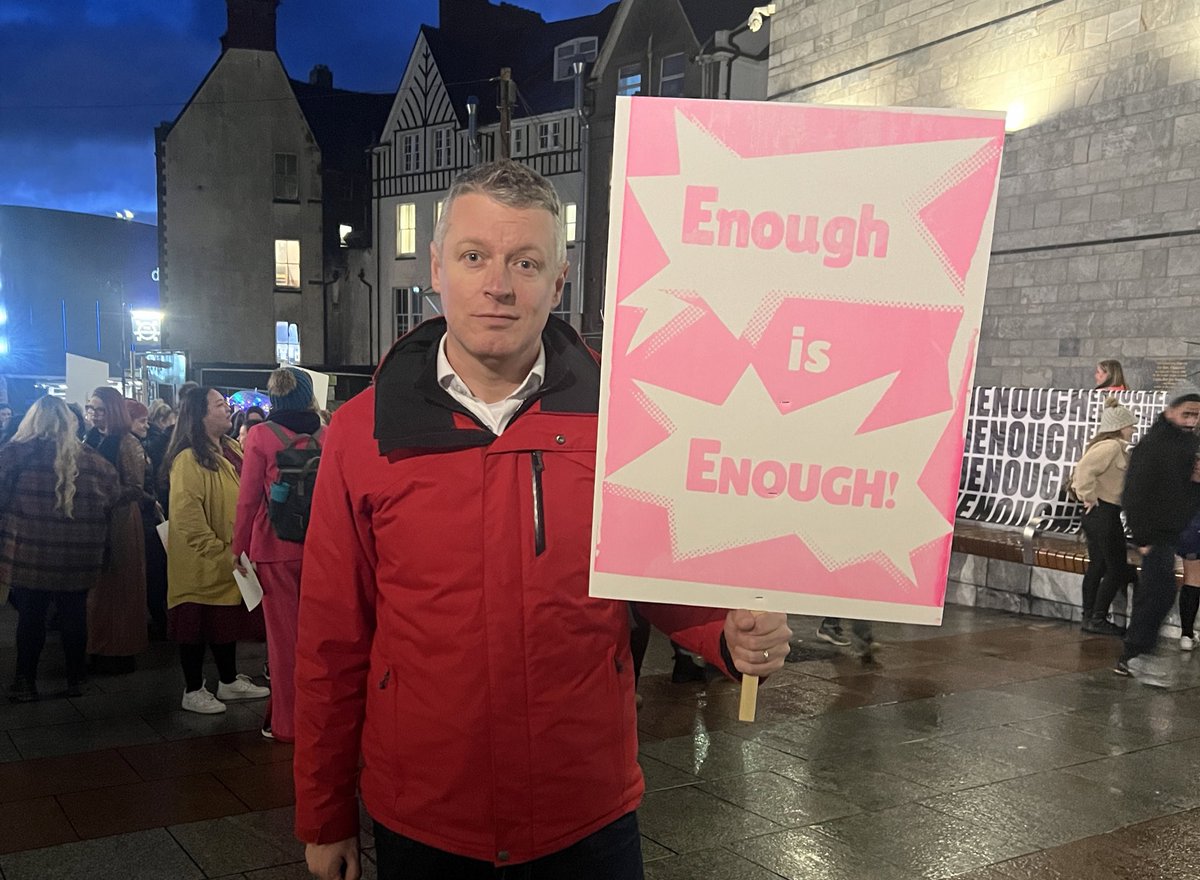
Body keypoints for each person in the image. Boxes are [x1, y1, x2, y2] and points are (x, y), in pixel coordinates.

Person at [293, 160, 792, 880]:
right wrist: (325, 813)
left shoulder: (625, 417)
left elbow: (656, 567)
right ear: (436, 267)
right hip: (427, 814)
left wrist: (725, 631)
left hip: (583, 811)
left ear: (559, 281)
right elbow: (330, 639)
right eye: (475, 257)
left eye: (526, 262)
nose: (499, 284)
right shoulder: (361, 432)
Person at [1, 397, 119, 701]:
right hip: (79, 554)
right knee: (74, 614)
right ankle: (76, 679)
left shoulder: (14, 454)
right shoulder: (92, 459)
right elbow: (111, 496)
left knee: (31, 617)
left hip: (30, 554)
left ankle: (25, 681)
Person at [164, 387, 270, 714]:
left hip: (230, 552)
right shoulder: (188, 458)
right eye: (219, 404)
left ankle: (227, 681)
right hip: (203, 559)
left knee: (224, 620)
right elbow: (188, 517)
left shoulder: (228, 448)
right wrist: (221, 551)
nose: (228, 409)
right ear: (199, 414)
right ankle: (193, 688)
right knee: (195, 623)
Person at [233, 368, 321, 741]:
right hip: (320, 550)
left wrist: (238, 548)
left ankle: (287, 723)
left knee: (283, 644)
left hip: (273, 549)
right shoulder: (326, 433)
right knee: (318, 640)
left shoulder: (261, 436)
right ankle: (317, 718)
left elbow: (249, 498)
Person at [1116, 381, 1200, 685]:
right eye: (1186, 414)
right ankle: (1134, 655)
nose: (1192, 421)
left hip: (1171, 531)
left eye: (1196, 416)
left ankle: (1135, 655)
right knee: (1157, 593)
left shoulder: (1189, 445)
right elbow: (1133, 494)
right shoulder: (1152, 446)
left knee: (1160, 593)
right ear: (1170, 411)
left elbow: (1183, 492)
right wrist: (1142, 538)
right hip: (1154, 535)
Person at [84, 386, 148, 673]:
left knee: (121, 586)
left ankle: (119, 649)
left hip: (121, 520)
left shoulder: (127, 442)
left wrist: (101, 494)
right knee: (100, 588)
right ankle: (99, 646)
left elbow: (135, 487)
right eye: (92, 409)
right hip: (100, 519)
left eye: (100, 409)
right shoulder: (93, 437)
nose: (96, 415)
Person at [1072, 397, 1137, 636]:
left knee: (1098, 566)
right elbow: (1084, 470)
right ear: (1119, 426)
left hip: (1102, 514)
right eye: (1130, 425)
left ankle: (1089, 616)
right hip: (1103, 514)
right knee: (1116, 568)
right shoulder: (1110, 447)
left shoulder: (1110, 446)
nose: (1133, 430)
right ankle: (1097, 618)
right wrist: (1087, 495)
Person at [128, 399, 170, 640]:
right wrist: (150, 500)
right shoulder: (132, 445)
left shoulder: (138, 443)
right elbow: (133, 485)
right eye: (142, 421)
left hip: (146, 516)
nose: (146, 425)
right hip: (144, 517)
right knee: (153, 572)